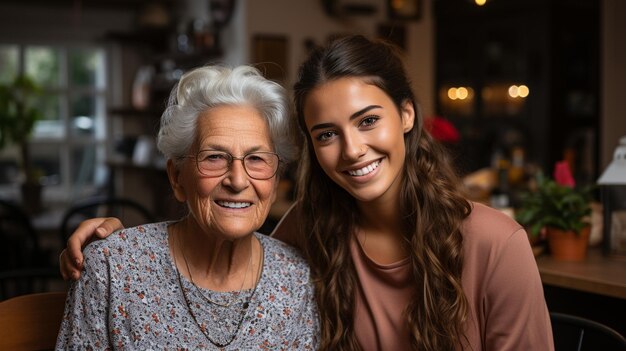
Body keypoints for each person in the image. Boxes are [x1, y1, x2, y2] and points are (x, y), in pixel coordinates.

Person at [60, 35, 553, 350]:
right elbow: (225, 235)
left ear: (406, 115)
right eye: (326, 134)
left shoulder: (496, 244)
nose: (354, 149)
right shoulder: (307, 230)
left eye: (368, 121)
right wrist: (118, 246)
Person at [55, 65, 319, 350]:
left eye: (256, 159)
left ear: (276, 177)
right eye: (215, 156)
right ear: (177, 177)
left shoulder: (297, 280)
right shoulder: (112, 268)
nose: (238, 180)